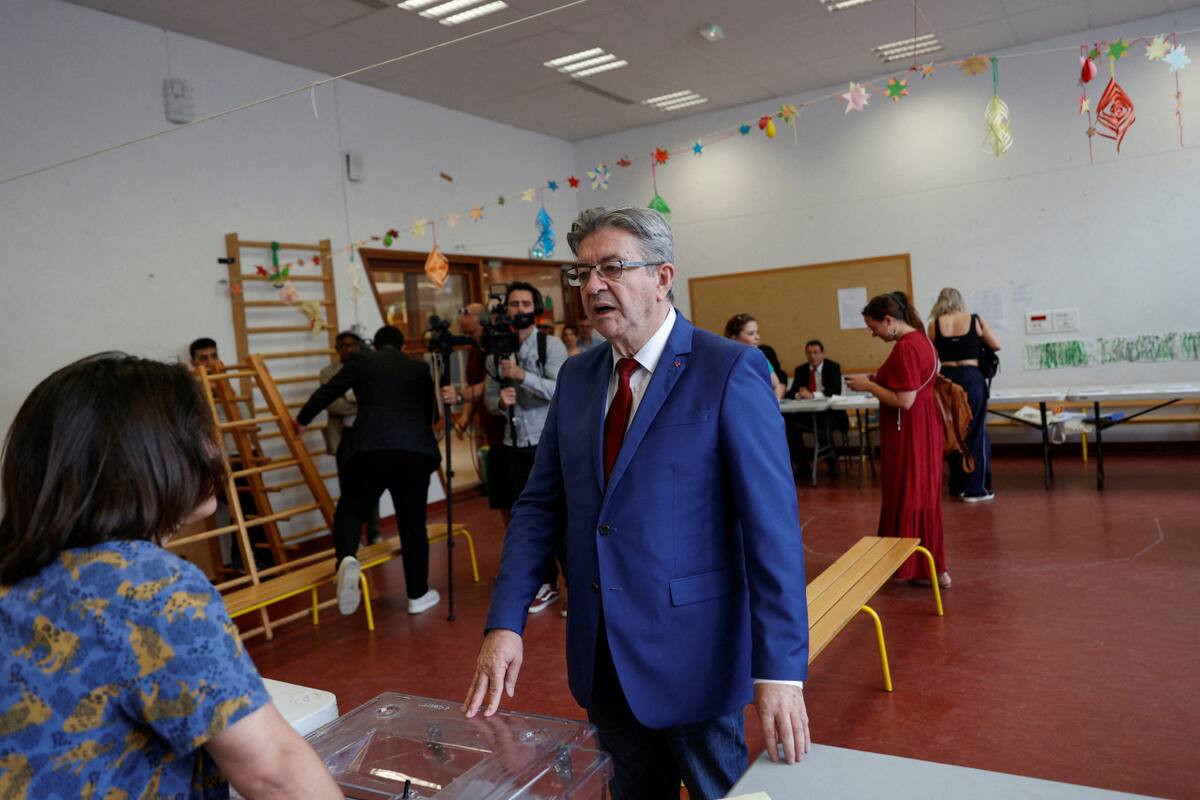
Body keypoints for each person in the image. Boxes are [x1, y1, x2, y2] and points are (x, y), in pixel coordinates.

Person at [464, 207, 810, 799]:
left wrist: (780, 671)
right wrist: (506, 620)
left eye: (612, 267)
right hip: (602, 656)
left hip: (694, 656)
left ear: (663, 277)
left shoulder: (727, 370)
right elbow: (540, 506)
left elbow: (770, 530)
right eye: (582, 273)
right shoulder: (577, 378)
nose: (593, 285)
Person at [0, 353, 341, 800]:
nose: (215, 452)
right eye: (201, 434)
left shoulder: (20, 575)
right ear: (147, 455)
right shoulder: (147, 587)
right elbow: (275, 774)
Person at [295, 325, 441, 617]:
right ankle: (417, 595)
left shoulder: (362, 361)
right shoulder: (418, 368)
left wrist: (302, 419)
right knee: (413, 524)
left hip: (369, 448)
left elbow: (329, 391)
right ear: (402, 347)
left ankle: (347, 558)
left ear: (373, 344)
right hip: (414, 451)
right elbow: (432, 414)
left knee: (350, 509)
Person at [845, 291, 949, 588]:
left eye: (873, 326)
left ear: (889, 320)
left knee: (908, 492)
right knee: (920, 494)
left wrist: (868, 385)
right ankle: (927, 564)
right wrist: (878, 381)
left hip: (910, 429)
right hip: (924, 425)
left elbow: (904, 400)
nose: (873, 333)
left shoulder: (906, 347)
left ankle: (912, 565)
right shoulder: (923, 340)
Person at [483, 282, 568, 615]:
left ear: (536, 309)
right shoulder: (496, 352)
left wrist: (523, 376)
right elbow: (491, 399)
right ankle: (544, 582)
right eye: (514, 305)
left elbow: (561, 389)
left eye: (525, 303)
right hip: (511, 443)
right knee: (526, 520)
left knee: (560, 517)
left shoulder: (552, 345)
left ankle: (573, 581)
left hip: (546, 444)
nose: (519, 309)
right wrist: (500, 403)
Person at [929, 288, 1002, 503]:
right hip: (971, 376)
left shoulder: (934, 325)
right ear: (960, 301)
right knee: (975, 431)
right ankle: (976, 489)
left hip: (946, 378)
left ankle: (958, 486)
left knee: (952, 432)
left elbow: (929, 355)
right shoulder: (974, 319)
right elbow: (996, 345)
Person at [320, 330, 381, 543]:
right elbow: (333, 404)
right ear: (337, 349)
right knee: (348, 489)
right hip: (345, 437)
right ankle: (353, 538)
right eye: (343, 345)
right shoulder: (328, 373)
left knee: (373, 484)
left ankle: (374, 533)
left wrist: (350, 398)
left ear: (359, 346)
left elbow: (375, 400)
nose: (348, 349)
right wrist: (359, 402)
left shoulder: (370, 367)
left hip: (369, 435)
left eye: (352, 345)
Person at [785, 340, 849, 474]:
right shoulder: (801, 369)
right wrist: (799, 394)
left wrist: (813, 395)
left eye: (816, 353)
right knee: (789, 427)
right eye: (809, 353)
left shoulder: (833, 367)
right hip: (807, 414)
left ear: (823, 354)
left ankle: (833, 464)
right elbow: (791, 393)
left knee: (822, 426)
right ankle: (803, 466)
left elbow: (835, 390)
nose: (812, 356)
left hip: (830, 414)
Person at [723, 313, 786, 399]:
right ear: (734, 338)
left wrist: (774, 404)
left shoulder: (761, 358)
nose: (757, 337)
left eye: (757, 332)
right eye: (751, 333)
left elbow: (776, 385)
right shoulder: (724, 361)